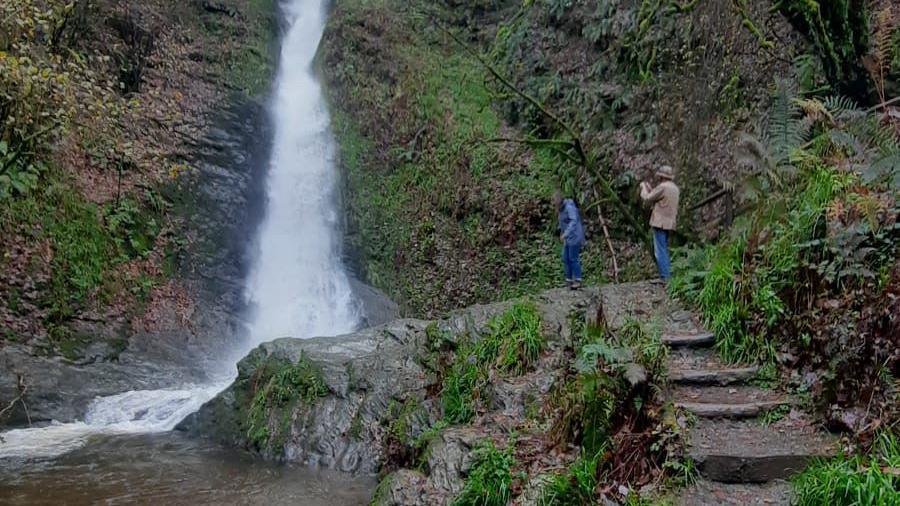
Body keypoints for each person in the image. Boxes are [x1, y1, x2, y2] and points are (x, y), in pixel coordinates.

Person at [640, 165, 680, 281]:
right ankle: (667, 275)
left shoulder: (663, 187)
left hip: (660, 222)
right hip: (670, 223)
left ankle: (665, 276)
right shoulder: (675, 188)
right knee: (664, 248)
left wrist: (643, 187)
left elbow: (647, 198)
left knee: (660, 250)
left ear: (662, 177)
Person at [553, 190, 586, 290]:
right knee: (565, 258)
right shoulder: (561, 209)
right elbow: (563, 223)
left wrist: (565, 234)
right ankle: (568, 280)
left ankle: (578, 280)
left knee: (573, 258)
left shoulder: (569, 207)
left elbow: (573, 221)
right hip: (568, 238)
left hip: (574, 236)